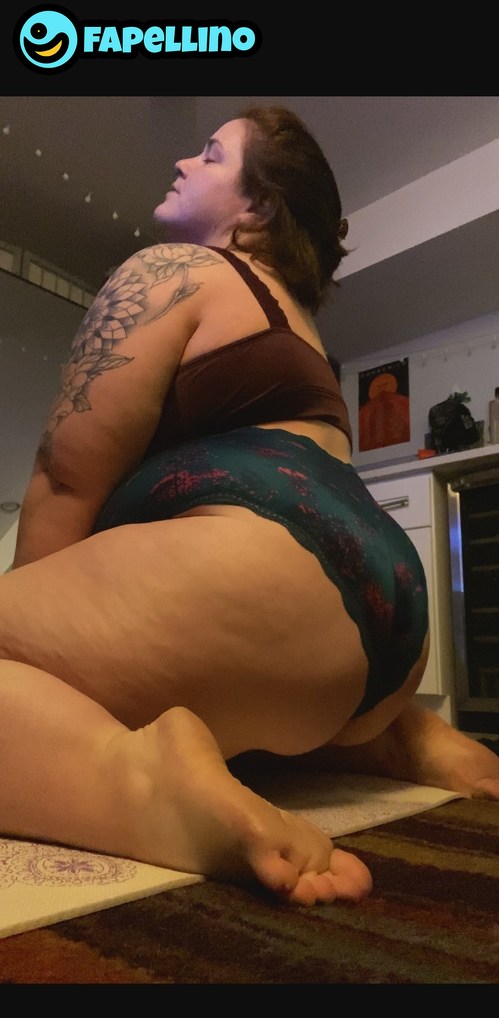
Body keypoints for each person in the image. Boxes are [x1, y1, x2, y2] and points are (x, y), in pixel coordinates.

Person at [3, 106, 498, 908]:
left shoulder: (173, 270)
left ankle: (135, 781)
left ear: (258, 206)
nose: (181, 163)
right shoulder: (299, 334)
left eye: (208, 154)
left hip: (256, 569)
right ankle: (393, 740)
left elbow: (65, 476)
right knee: (241, 699)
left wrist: (37, 654)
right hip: (379, 626)